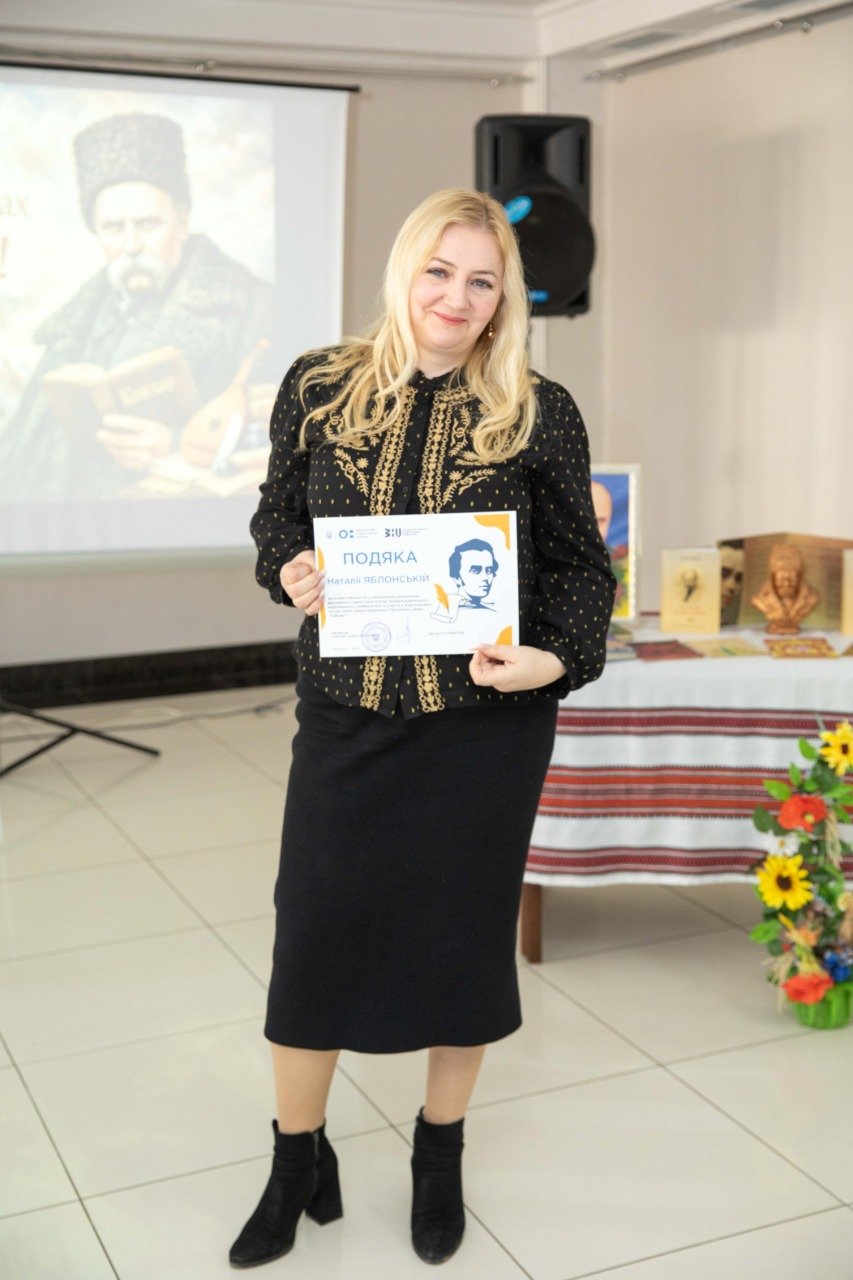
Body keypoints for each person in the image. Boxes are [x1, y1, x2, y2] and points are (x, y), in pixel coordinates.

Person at [234, 188, 616, 1270]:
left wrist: (551, 657)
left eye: (482, 280)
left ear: (505, 299)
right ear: (405, 270)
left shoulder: (537, 409)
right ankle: (295, 1158)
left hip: (483, 731)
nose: (457, 296)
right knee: (313, 936)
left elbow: (580, 573)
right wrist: (289, 567)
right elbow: (276, 515)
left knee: (460, 946)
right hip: (347, 717)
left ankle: (437, 1150)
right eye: (439, 271)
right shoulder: (319, 384)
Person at [0, 111, 275, 501]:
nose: (131, 246)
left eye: (147, 225)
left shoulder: (253, 307)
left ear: (182, 222)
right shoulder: (72, 327)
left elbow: (290, 440)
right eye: (114, 228)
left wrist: (177, 444)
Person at [450, 537, 498, 609]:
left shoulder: (492, 609)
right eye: (475, 571)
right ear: (456, 578)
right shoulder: (448, 611)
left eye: (489, 570)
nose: (485, 577)